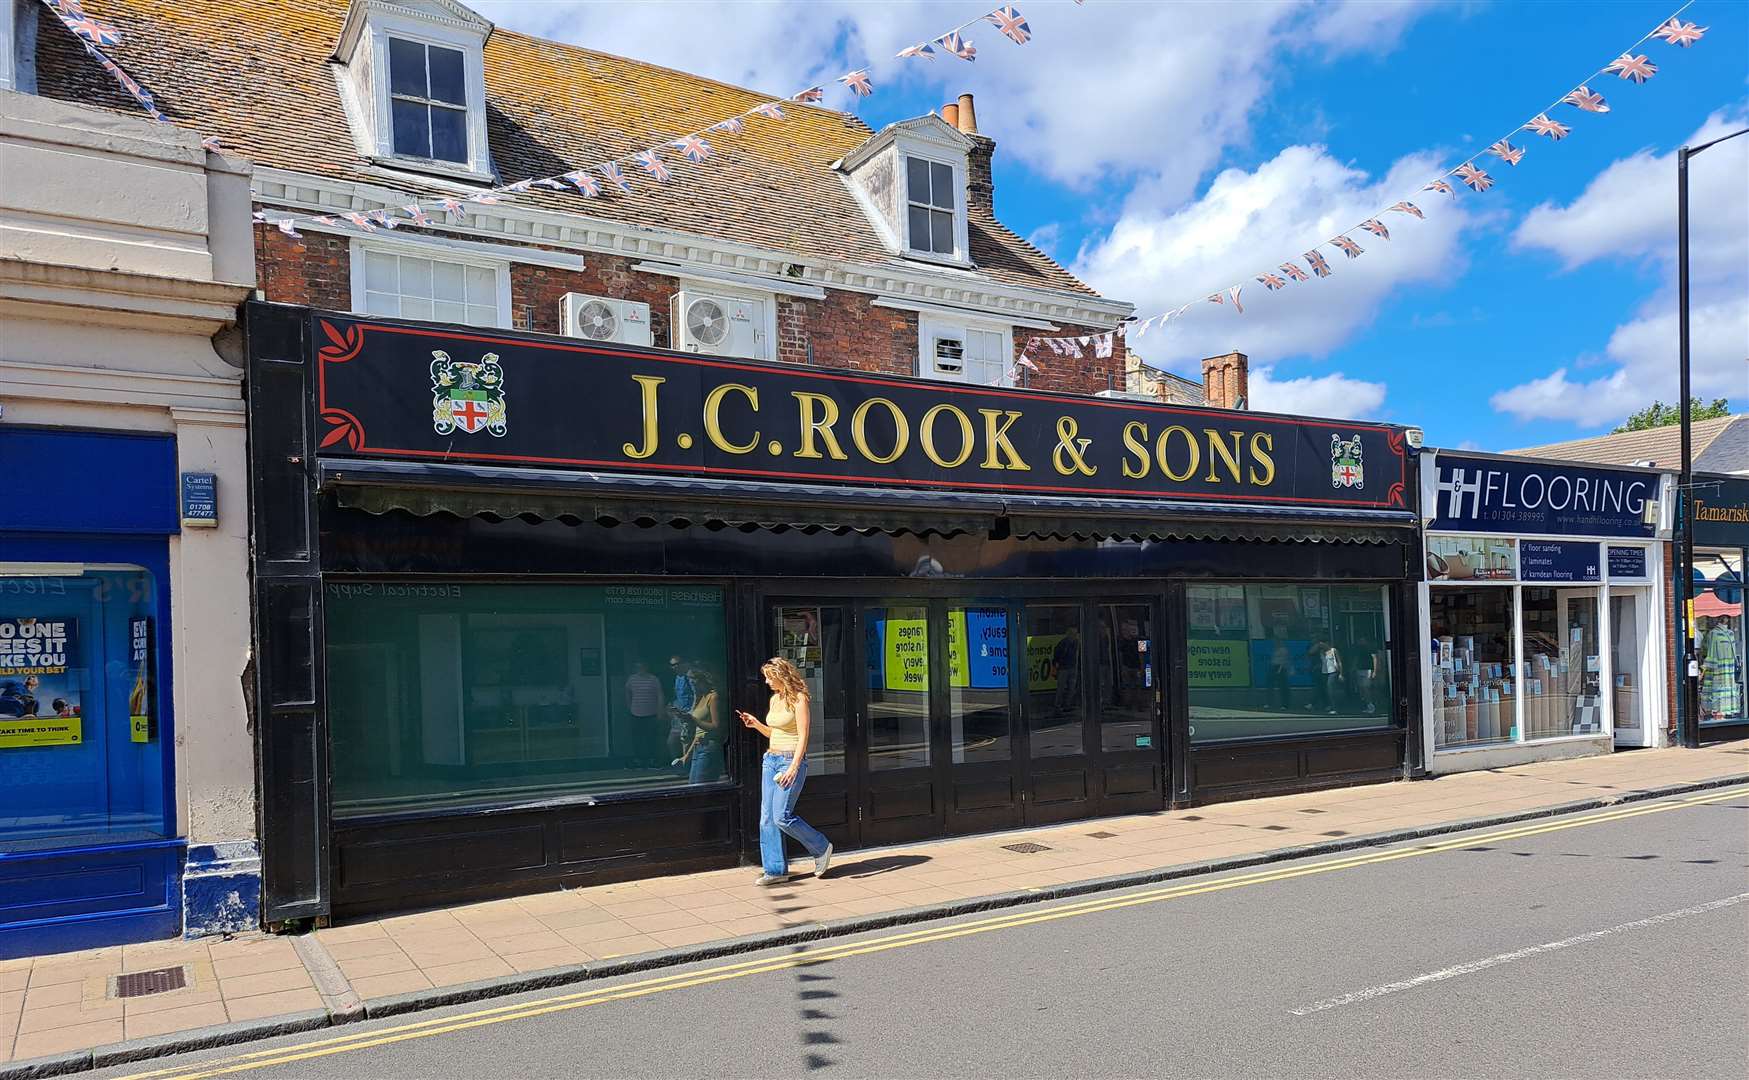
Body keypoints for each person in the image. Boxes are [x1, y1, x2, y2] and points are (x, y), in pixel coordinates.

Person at [737, 657, 833, 886]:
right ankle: (776, 870)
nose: (767, 682)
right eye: (766, 678)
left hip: (790, 761)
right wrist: (756, 724)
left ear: (782, 676)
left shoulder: (799, 699)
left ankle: (821, 847)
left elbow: (803, 736)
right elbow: (774, 733)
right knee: (767, 818)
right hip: (770, 760)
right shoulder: (774, 700)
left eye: (770, 678)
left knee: (782, 816)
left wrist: (794, 766)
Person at [676, 667, 725, 783]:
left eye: (694, 679)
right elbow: (699, 732)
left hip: (709, 746)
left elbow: (716, 726)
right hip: (699, 746)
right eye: (689, 679)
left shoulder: (713, 697)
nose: (691, 682)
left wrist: (693, 720)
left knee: (700, 787)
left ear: (703, 679)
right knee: (692, 786)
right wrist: (686, 755)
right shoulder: (699, 698)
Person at [622, 661, 664, 765]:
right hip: (635, 712)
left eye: (642, 666)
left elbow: (660, 695)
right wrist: (629, 707)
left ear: (647, 667)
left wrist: (660, 710)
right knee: (637, 737)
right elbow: (627, 692)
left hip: (651, 712)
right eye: (638, 667)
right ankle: (638, 759)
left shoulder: (654, 679)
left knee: (651, 737)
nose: (640, 669)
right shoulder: (632, 679)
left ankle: (652, 759)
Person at [667, 656, 695, 769]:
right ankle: (680, 765)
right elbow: (679, 696)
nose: (674, 667)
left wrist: (691, 713)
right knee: (672, 741)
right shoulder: (677, 678)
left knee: (686, 742)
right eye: (672, 665)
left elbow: (696, 695)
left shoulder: (690, 676)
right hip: (679, 714)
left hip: (689, 715)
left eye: (677, 664)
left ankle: (686, 767)